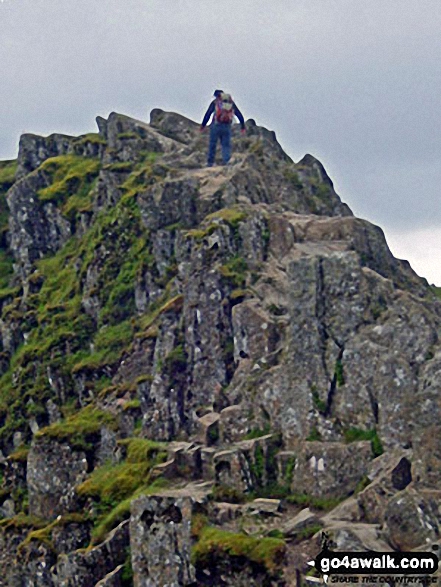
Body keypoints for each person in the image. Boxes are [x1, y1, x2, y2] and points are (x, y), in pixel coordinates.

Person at [200, 90, 246, 167]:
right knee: (226, 145)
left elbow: (208, 114)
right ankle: (226, 161)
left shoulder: (215, 103)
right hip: (227, 126)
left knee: (212, 144)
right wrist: (243, 127)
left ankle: (210, 163)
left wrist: (203, 126)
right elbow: (239, 115)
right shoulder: (230, 103)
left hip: (216, 125)